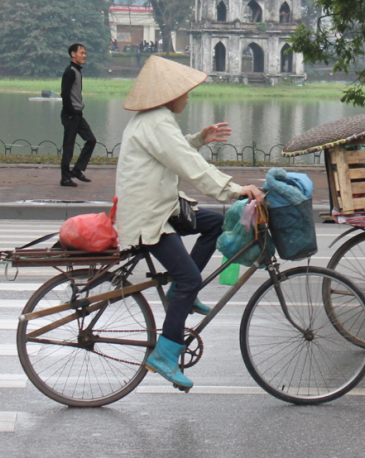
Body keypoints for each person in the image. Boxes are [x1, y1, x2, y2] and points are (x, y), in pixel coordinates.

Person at [115, 55, 265, 390]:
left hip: (161, 209)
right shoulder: (157, 122)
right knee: (188, 278)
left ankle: (180, 291)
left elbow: (176, 150)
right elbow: (190, 167)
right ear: (170, 95)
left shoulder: (155, 120)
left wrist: (199, 138)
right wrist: (237, 190)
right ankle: (165, 354)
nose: (188, 96)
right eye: (185, 91)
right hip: (148, 218)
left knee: (213, 224)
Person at [59, 43, 97, 187]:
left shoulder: (77, 70)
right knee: (68, 146)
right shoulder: (70, 71)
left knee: (91, 140)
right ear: (73, 54)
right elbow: (65, 94)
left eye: (85, 53)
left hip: (77, 114)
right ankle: (65, 178)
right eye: (81, 53)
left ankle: (77, 170)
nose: (84, 55)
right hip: (71, 114)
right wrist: (70, 113)